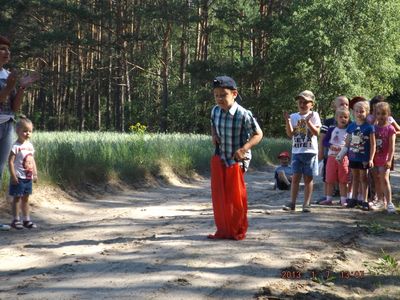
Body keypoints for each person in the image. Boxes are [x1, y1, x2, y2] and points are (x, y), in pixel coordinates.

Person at [209, 75, 263, 240]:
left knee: (235, 197)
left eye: (223, 95)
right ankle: (223, 229)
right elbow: (213, 125)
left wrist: (244, 149)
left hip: (237, 160)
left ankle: (237, 229)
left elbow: (258, 134)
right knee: (220, 196)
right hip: (221, 157)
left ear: (234, 93)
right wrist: (214, 136)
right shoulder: (215, 111)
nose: (219, 98)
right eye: (216, 95)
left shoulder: (243, 114)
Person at [0, 35, 38, 231]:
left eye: (8, 49)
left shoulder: (7, 74)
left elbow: (14, 107)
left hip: (6, 125)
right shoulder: (6, 79)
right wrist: (9, 86)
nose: (7, 52)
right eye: (2, 49)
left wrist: (21, 87)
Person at [283, 90, 322, 212]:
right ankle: (292, 203)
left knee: (308, 179)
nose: (302, 104)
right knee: (295, 178)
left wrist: (308, 121)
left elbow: (317, 133)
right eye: (300, 102)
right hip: (297, 152)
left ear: (312, 104)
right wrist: (288, 121)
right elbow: (290, 134)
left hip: (310, 152)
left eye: (305, 102)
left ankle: (306, 204)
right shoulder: (294, 116)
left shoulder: (314, 115)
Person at [337, 100, 376, 209]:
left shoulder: (369, 127)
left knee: (364, 178)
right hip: (353, 156)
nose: (359, 113)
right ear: (353, 113)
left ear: (367, 112)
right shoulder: (351, 126)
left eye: (362, 111)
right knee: (354, 177)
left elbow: (373, 145)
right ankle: (353, 199)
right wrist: (341, 154)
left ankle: (364, 200)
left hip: (364, 158)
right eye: (357, 111)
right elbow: (347, 143)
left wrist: (371, 159)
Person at [318, 96, 349, 203]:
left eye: (346, 104)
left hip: (344, 157)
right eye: (341, 104)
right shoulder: (328, 123)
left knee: (343, 178)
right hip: (330, 155)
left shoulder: (350, 124)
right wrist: (321, 151)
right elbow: (322, 138)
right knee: (328, 177)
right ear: (334, 106)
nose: (344, 106)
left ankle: (344, 199)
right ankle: (327, 197)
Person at [9, 117, 38, 229]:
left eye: (30, 131)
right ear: (18, 131)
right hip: (18, 177)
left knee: (26, 198)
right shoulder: (16, 146)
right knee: (17, 198)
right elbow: (10, 162)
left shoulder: (30, 146)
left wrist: (35, 174)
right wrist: (13, 175)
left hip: (28, 177)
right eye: (25, 131)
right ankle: (16, 220)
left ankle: (26, 219)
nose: (27, 133)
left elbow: (32, 160)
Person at [370, 102, 397, 213]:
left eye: (383, 114)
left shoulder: (390, 129)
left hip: (385, 159)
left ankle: (389, 203)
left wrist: (389, 160)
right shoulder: (373, 128)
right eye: (378, 114)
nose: (381, 116)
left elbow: (392, 147)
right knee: (376, 179)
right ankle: (380, 201)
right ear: (375, 114)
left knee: (385, 180)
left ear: (388, 114)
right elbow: (372, 144)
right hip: (375, 158)